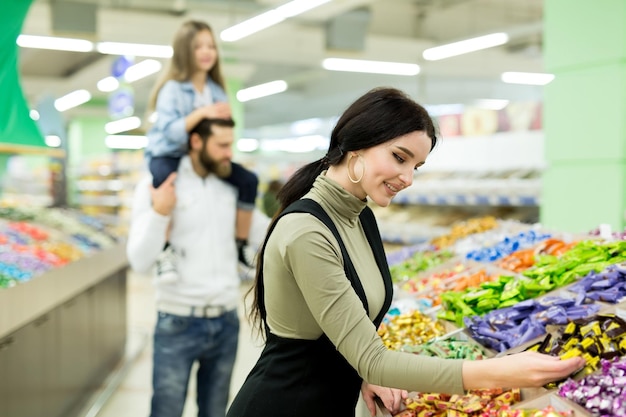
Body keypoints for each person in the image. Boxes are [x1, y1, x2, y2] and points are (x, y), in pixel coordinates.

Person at [225, 87, 585, 417]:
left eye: (416, 166)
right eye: (399, 157)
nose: (408, 178)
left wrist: (359, 372)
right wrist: (499, 372)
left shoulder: (361, 217)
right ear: (357, 146)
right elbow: (373, 359)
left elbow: (349, 339)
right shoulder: (306, 231)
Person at [126, 118, 243, 417]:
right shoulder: (156, 186)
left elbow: (262, 232)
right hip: (177, 321)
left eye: (231, 144)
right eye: (222, 145)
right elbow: (139, 261)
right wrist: (160, 212)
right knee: (167, 411)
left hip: (227, 320)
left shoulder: (231, 188)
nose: (229, 153)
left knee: (216, 411)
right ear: (196, 142)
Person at [144, 19, 259, 282]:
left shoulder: (217, 90)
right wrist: (203, 113)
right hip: (168, 152)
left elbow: (222, 129)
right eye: (199, 47)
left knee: (248, 181)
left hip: (202, 157)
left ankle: (240, 245)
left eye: (211, 46)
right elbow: (171, 132)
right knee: (165, 182)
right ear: (185, 51)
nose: (207, 52)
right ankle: (165, 251)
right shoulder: (172, 90)